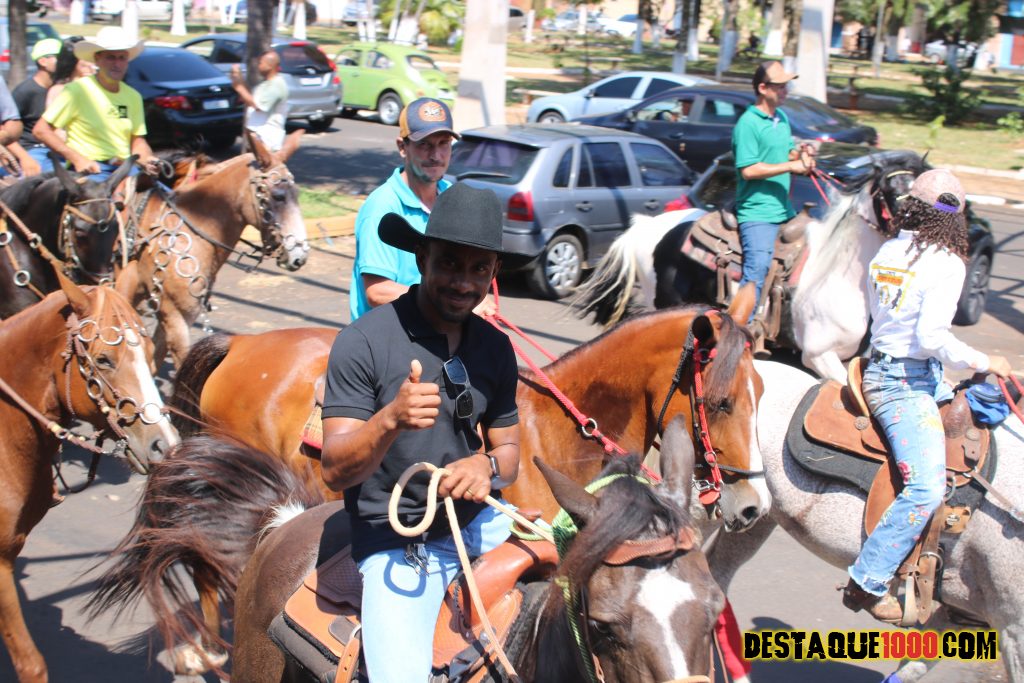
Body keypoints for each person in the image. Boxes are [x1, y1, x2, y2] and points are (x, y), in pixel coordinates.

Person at [321, 182, 524, 681]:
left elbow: (510, 452)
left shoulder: (495, 348)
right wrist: (390, 418)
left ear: (494, 272)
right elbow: (334, 470)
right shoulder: (363, 342)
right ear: (422, 257)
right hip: (398, 540)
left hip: (477, 521)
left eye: (479, 269)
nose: (464, 282)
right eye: (450, 263)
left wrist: (486, 466)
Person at [841, 169, 1012, 621]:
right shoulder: (946, 263)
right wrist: (986, 360)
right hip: (902, 385)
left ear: (910, 208)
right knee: (926, 488)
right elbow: (932, 338)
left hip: (892, 367)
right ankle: (867, 580)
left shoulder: (888, 251)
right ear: (956, 217)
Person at [349, 96, 495, 322]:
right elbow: (377, 291)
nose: (435, 156)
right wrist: (452, 301)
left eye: (443, 143)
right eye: (424, 145)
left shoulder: (451, 197)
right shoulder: (382, 206)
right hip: (389, 334)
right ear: (402, 147)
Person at [732, 60, 816, 317]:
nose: (785, 91)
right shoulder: (748, 124)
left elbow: (787, 151)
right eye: (779, 86)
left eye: (785, 86)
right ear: (762, 88)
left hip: (784, 209)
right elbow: (748, 169)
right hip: (757, 212)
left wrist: (801, 156)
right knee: (756, 270)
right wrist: (791, 166)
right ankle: (741, 326)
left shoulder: (781, 118)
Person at [33, 26, 159, 181]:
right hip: (92, 171)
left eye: (122, 58)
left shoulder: (133, 96)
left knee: (167, 194)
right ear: (97, 59)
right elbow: (41, 130)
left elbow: (137, 140)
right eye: (111, 57)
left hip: (125, 170)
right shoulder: (77, 90)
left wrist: (147, 158)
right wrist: (77, 159)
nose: (117, 64)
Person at [230, 50, 297, 153]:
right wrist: (239, 79)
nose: (258, 66)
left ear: (270, 66)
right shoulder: (265, 84)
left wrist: (239, 87)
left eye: (260, 63)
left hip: (268, 139)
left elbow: (258, 106)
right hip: (258, 137)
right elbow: (250, 99)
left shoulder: (276, 85)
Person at [12, 38, 62, 176]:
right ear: (43, 61)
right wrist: (24, 158)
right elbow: (5, 128)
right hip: (32, 149)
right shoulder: (25, 91)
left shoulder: (63, 89)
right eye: (59, 57)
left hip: (57, 147)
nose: (64, 62)